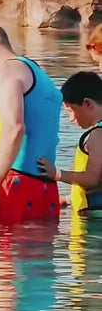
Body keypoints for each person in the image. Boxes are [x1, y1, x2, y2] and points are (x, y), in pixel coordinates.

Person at [0, 23, 62, 221]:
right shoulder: (38, 73)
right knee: (38, 252)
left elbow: (14, 129)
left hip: (11, 186)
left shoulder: (5, 70)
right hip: (45, 190)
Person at [38, 71, 102, 216]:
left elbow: (92, 179)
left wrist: (57, 174)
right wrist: (68, 199)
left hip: (94, 214)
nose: (70, 119)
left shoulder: (98, 135)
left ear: (87, 103)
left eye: (70, 110)